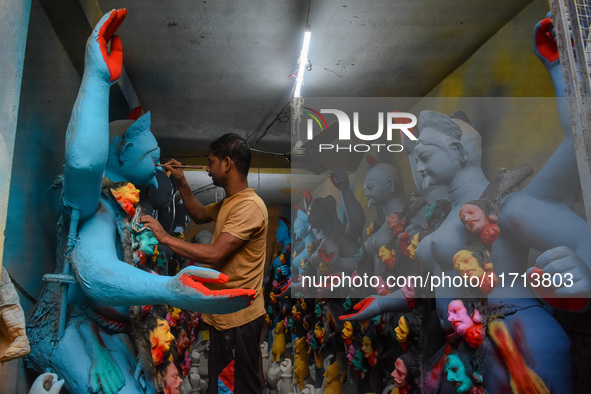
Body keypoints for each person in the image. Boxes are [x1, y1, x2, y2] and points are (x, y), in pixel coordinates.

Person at [25, 10, 255, 394]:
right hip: (73, 328)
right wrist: (98, 80)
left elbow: (194, 214)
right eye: (150, 152)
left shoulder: (126, 210)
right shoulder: (95, 202)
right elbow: (94, 271)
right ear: (123, 148)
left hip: (117, 333)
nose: (158, 159)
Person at [141, 132, 269, 394]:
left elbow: (215, 254)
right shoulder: (230, 203)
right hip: (228, 318)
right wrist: (182, 182)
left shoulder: (249, 207)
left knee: (237, 387)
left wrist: (164, 237)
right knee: (222, 384)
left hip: (239, 320)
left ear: (227, 163)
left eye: (211, 162)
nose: (208, 169)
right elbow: (199, 214)